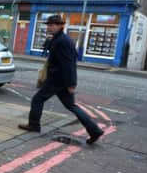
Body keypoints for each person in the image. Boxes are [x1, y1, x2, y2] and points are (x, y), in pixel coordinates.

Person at [18, 14, 104, 144]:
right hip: (60, 80)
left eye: (52, 25)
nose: (49, 27)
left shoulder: (63, 41)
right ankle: (95, 131)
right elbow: (48, 52)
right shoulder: (59, 39)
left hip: (57, 80)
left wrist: (71, 83)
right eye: (49, 25)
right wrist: (49, 41)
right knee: (72, 106)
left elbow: (68, 64)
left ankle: (34, 125)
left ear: (60, 26)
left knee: (37, 99)